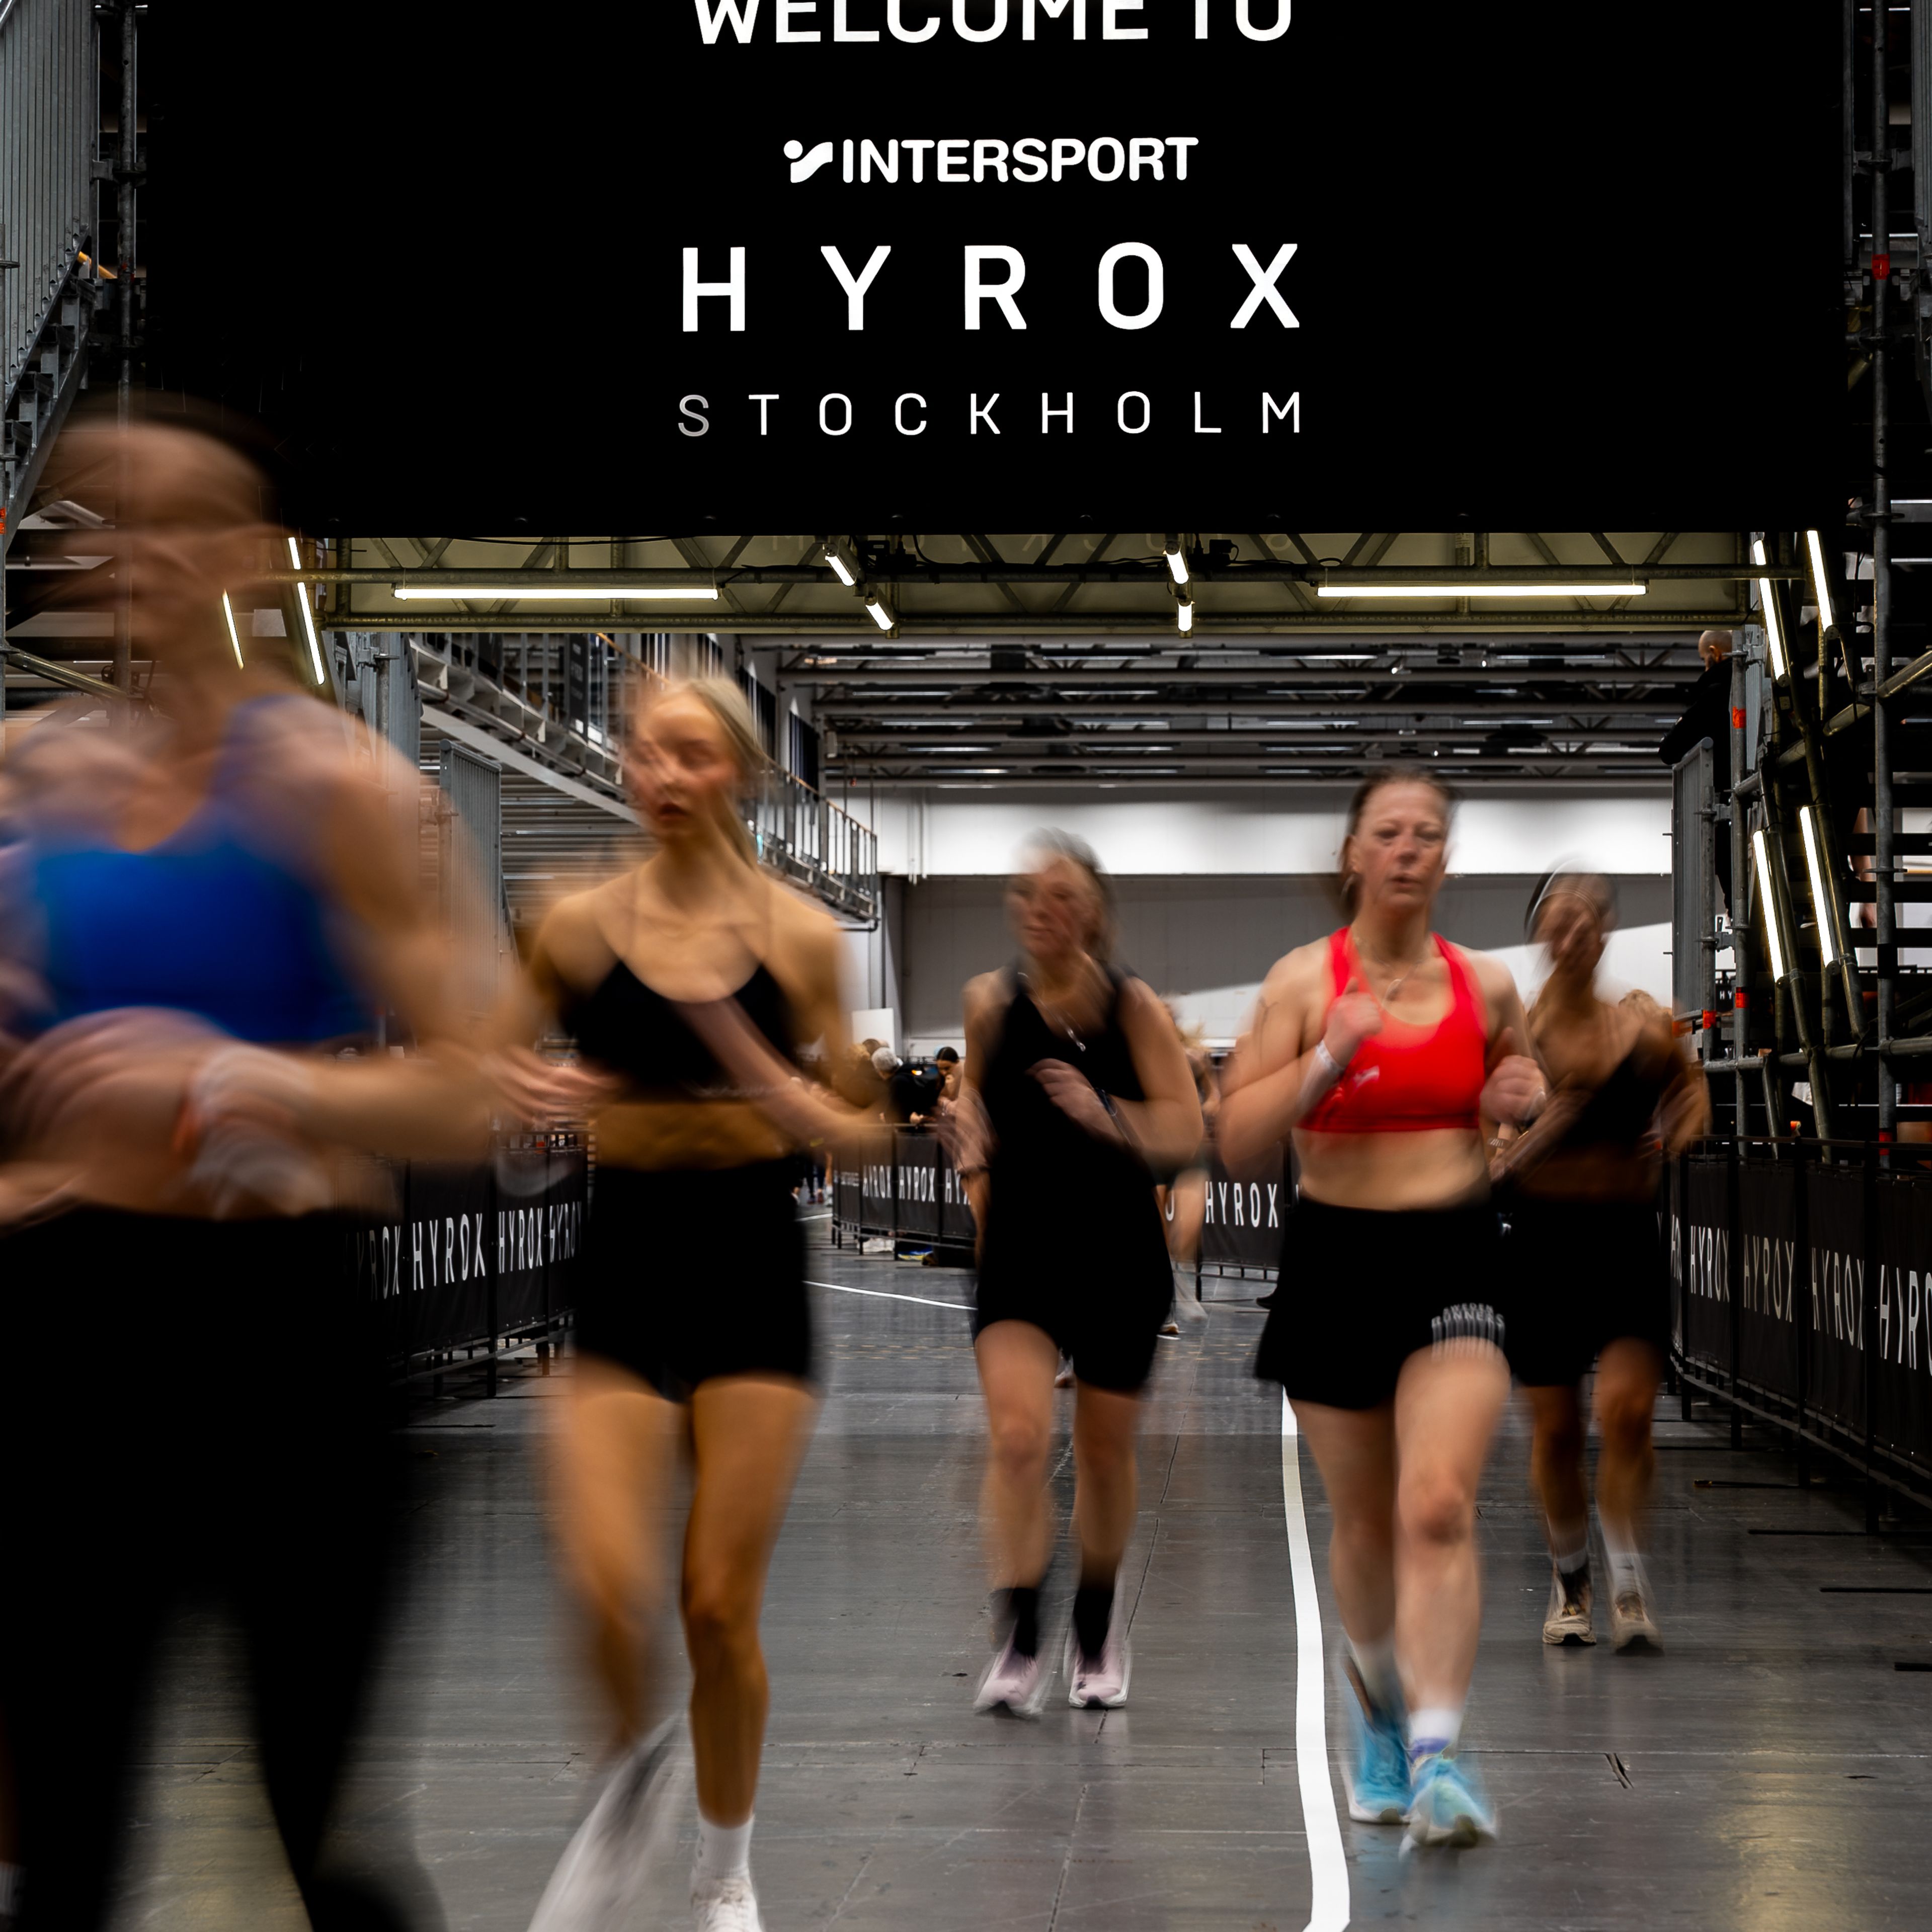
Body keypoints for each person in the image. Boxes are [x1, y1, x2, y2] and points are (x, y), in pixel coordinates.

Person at [0, 415, 514, 1931]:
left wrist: (244, 1074)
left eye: (176, 523)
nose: (131, 554)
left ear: (252, 562)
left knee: (317, 1819)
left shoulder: (338, 789)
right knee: (67, 1836)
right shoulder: (35, 781)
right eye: (102, 520)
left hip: (284, 1340)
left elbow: (478, 1087)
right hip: (70, 1320)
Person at [509, 676, 872, 1932]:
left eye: (691, 754)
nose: (661, 775)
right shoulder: (569, 922)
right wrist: (524, 1095)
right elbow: (493, 1072)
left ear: (740, 773)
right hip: (621, 1250)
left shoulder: (799, 937)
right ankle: (624, 1789)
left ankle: (725, 1868)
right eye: (642, 751)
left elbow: (866, 1129)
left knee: (716, 1606)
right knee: (605, 1583)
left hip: (749, 1261)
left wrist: (770, 1082)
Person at [1220, 770, 1544, 1848]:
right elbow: (1234, 1138)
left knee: (1438, 1502)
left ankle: (1442, 1758)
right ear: (1354, 853)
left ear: (1447, 858)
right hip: (1335, 1260)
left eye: (1430, 836)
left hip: (1456, 1251)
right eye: (1389, 834)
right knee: (1363, 1521)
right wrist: (1328, 1056)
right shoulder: (1303, 981)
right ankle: (1383, 1719)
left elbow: (1518, 1081)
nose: (1410, 850)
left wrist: (1515, 1101)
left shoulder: (1488, 983)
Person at [954, 831, 1203, 1713]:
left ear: (1092, 911)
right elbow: (973, 1112)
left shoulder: (1133, 1009)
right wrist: (971, 1149)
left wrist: (1105, 1113)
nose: (1041, 912)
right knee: (1019, 1441)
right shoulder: (991, 1003)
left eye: (1060, 897)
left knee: (1101, 1455)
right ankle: (1019, 1637)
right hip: (1022, 1249)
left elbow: (1185, 1130)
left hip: (1115, 1252)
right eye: (1026, 896)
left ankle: (1096, 1624)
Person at [1493, 875, 1709, 1651]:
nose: (1573, 935)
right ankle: (1571, 1576)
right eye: (1558, 924)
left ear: (1606, 934)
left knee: (1628, 1415)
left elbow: (1691, 1091)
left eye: (1587, 923)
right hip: (1545, 1247)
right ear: (1540, 938)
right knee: (1555, 1433)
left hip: (1626, 1241)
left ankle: (1627, 1579)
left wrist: (1680, 1129)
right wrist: (1508, 1144)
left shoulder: (1643, 1031)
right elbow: (1479, 1125)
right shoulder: (1517, 1031)